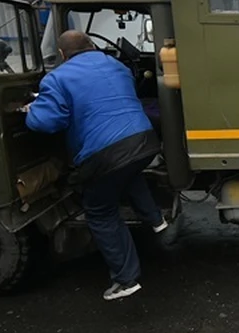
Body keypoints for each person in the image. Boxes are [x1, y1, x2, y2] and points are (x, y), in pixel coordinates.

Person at [24, 30, 169, 301]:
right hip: (145, 140)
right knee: (127, 171)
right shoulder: (117, 65)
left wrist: (32, 111)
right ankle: (156, 219)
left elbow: (46, 123)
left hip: (105, 152)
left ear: (63, 54)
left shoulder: (57, 78)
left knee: (100, 211)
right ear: (92, 46)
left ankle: (126, 279)